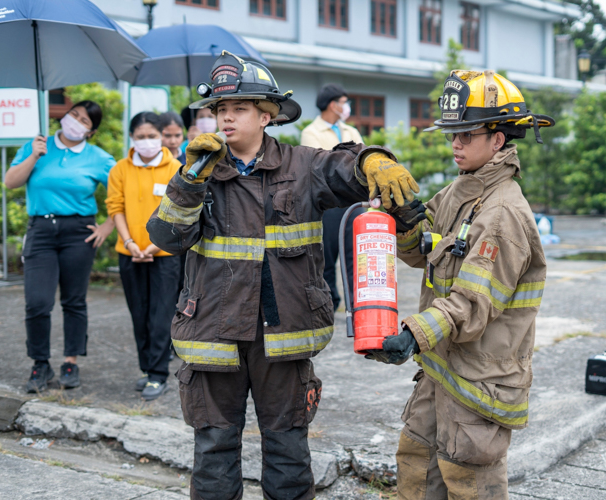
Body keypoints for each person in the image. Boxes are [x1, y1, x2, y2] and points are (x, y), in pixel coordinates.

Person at [147, 51, 419, 500]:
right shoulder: (200, 171)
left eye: (238, 108)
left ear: (266, 114)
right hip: (214, 332)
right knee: (213, 450)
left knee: (288, 449)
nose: (225, 118)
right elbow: (166, 237)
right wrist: (189, 178)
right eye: (219, 110)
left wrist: (373, 159)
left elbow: (347, 167)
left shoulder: (303, 166)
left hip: (284, 333)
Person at [373, 70, 554, 499]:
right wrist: (403, 222)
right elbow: (423, 250)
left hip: (479, 384)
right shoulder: (460, 192)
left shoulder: (502, 214)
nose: (455, 143)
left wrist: (412, 335)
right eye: (452, 133)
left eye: (466, 134)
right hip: (441, 373)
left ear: (498, 140)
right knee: (417, 467)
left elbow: (472, 305)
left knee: (470, 484)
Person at [5, 101, 116, 393]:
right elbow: (10, 182)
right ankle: (40, 362)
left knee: (73, 300)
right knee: (37, 302)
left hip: (78, 232)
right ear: (64, 116)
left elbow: (122, 193)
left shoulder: (100, 158)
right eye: (74, 115)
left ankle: (70, 361)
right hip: (40, 230)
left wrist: (108, 226)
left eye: (84, 121)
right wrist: (33, 156)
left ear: (91, 132)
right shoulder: (37, 146)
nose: (76, 122)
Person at [106, 112, 183, 401]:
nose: (146, 142)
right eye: (140, 136)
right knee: (139, 314)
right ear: (132, 138)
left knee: (161, 315)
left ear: (162, 136)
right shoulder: (120, 169)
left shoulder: (174, 167)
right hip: (129, 253)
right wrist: (129, 242)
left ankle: (158, 373)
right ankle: (147, 368)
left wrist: (152, 246)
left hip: (163, 254)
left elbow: (178, 211)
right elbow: (116, 208)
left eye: (151, 136)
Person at [300, 84, 364, 310]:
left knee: (355, 255)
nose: (346, 107)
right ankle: (329, 300)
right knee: (326, 255)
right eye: (344, 102)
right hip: (328, 204)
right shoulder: (311, 132)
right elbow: (318, 169)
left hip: (355, 202)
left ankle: (356, 303)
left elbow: (361, 160)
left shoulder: (349, 131)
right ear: (332, 105)